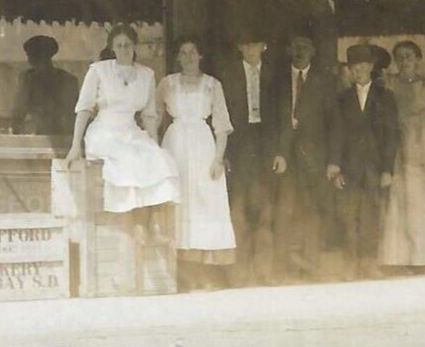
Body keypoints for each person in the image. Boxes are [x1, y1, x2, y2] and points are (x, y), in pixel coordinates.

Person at [65, 24, 179, 222]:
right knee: (127, 157)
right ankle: (129, 221)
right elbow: (84, 109)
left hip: (131, 131)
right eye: (119, 45)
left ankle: (148, 223)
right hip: (104, 131)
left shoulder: (146, 74)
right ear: (112, 48)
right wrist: (76, 145)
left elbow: (149, 115)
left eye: (128, 45)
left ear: (135, 47)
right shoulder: (99, 71)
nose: (124, 49)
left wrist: (153, 143)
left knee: (159, 157)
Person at [158, 37, 237, 289]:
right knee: (180, 202)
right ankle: (180, 274)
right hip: (175, 146)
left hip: (204, 146)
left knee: (205, 204)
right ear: (177, 57)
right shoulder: (167, 83)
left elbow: (222, 126)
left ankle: (205, 273)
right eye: (183, 52)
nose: (188, 57)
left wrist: (217, 159)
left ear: (201, 55)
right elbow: (153, 117)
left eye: (193, 52)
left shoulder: (212, 85)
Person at [328, 44, 400, 280]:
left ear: (371, 67)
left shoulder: (386, 97)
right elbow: (336, 134)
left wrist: (388, 169)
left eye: (363, 65)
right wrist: (335, 166)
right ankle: (350, 264)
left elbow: (391, 135)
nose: (358, 70)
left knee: (371, 216)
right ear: (349, 70)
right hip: (349, 168)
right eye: (354, 66)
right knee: (348, 217)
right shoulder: (341, 99)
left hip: (374, 167)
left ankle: (369, 263)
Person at [273, 31, 338, 281]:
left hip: (315, 159)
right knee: (284, 211)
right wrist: (278, 152)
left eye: (305, 46)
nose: (300, 51)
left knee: (312, 211)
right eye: (295, 46)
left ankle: (311, 266)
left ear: (313, 51)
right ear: (289, 50)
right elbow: (271, 122)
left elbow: (335, 123)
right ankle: (282, 269)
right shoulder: (277, 82)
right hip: (285, 159)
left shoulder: (324, 82)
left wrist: (333, 160)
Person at [219, 31, 281, 285]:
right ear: (240, 47)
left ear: (263, 46)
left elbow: (281, 115)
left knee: (265, 210)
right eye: (246, 44)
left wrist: (280, 151)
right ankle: (240, 274)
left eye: (256, 43)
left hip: (266, 148)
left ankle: (264, 271)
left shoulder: (275, 76)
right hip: (239, 148)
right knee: (239, 210)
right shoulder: (228, 75)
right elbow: (221, 116)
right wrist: (224, 153)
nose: (251, 49)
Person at [380, 41, 425, 270]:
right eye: (399, 57)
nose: (404, 61)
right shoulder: (389, 85)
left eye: (409, 56)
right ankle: (399, 259)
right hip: (400, 150)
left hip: (424, 152)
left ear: (417, 59)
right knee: (402, 202)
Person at [10, 35, 79, 136]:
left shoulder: (67, 79)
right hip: (35, 133)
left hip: (60, 134)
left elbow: (71, 111)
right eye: (29, 55)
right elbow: (19, 111)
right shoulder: (27, 78)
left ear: (44, 56)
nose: (29, 59)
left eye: (32, 54)